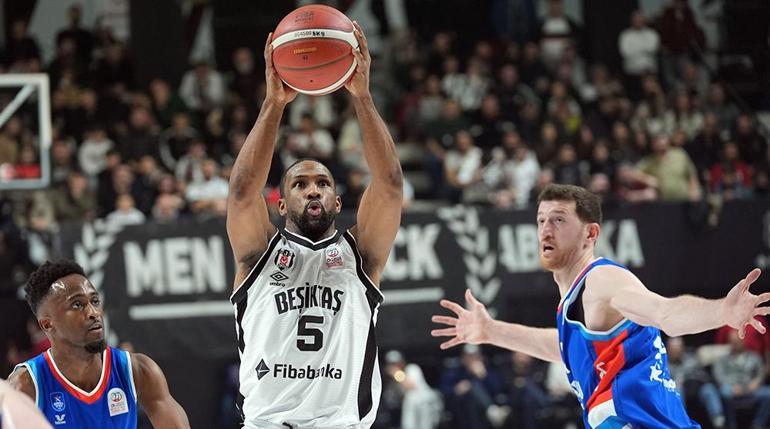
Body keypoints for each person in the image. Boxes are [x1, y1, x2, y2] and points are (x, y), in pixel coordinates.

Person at [432, 183, 767, 428]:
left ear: (590, 233)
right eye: (541, 220)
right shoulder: (574, 301)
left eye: (559, 219)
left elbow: (666, 314)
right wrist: (491, 331)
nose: (546, 229)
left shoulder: (603, 281)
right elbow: (564, 349)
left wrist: (722, 311)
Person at [226, 23, 403, 429]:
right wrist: (273, 103)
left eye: (323, 184)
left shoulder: (361, 255)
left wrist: (362, 97)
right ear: (281, 202)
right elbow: (240, 192)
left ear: (338, 202)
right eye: (300, 184)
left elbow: (391, 186)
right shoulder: (257, 254)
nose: (313, 191)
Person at [6, 259, 190, 428]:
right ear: (47, 324)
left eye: (95, 301)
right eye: (77, 305)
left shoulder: (138, 371)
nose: (93, 312)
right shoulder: (25, 386)